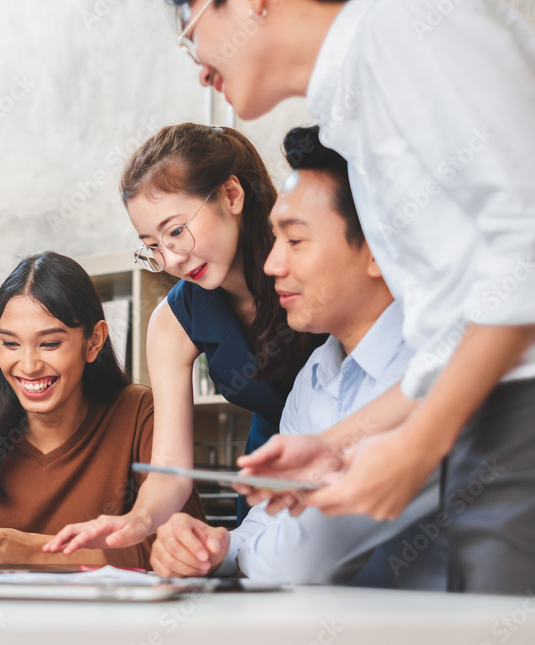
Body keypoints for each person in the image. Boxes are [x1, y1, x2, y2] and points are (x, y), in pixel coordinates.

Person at [171, 0, 535, 594]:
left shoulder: (406, 27)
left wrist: (418, 443)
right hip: (484, 418)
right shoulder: (351, 111)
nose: (199, 69)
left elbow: (526, 248)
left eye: (188, 29)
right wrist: (332, 444)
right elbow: (449, 340)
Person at [151, 126, 445, 589]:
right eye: (152, 246)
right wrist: (216, 547)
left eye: (295, 240)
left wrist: (239, 551)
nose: (273, 265)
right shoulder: (313, 378)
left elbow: (304, 559)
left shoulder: (432, 365)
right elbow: (265, 526)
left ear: (375, 247)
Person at [43, 124, 323, 557]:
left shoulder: (313, 264)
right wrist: (137, 519)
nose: (171, 259)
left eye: (175, 231)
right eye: (151, 245)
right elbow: (171, 468)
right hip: (271, 475)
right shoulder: (174, 320)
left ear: (231, 196)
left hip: (358, 446)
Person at [0, 252, 205, 568]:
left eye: (50, 344)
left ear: (94, 341)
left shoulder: (139, 414)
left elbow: (186, 550)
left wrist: (28, 551)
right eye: (11, 344)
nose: (28, 366)